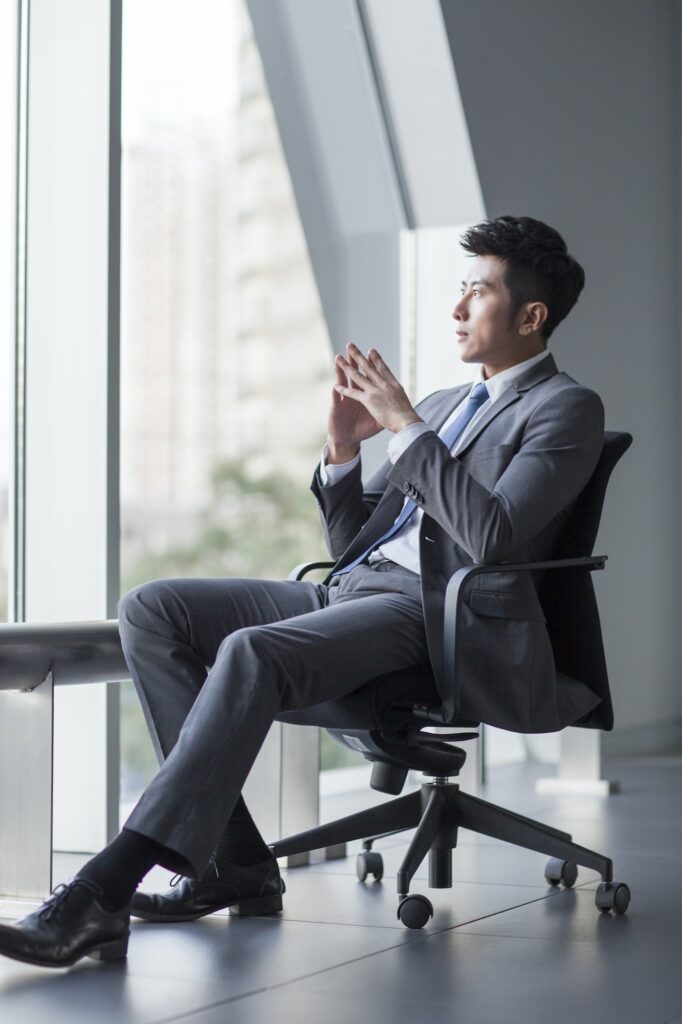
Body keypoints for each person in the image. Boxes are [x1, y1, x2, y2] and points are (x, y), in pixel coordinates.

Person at [0, 215, 604, 968]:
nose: (456, 310)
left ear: (530, 315)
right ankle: (235, 863)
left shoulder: (565, 409)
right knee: (153, 609)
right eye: (459, 291)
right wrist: (346, 451)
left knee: (253, 652)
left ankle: (101, 892)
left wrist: (407, 427)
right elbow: (351, 540)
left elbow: (494, 537)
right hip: (352, 590)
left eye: (476, 294)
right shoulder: (451, 402)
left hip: (430, 615)